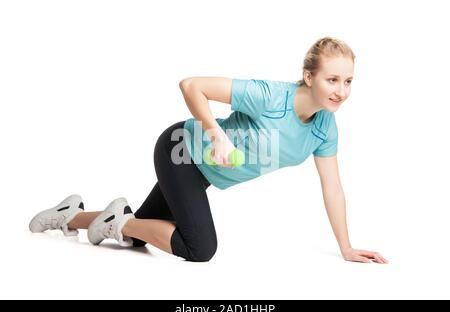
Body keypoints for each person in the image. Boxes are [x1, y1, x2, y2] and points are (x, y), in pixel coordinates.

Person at [29, 37, 388, 264]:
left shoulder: (325, 127)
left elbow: (333, 188)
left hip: (202, 175)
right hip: (181, 151)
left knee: (139, 231)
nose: (341, 90)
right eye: (332, 79)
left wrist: (346, 247)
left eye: (348, 81)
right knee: (199, 248)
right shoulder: (270, 96)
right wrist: (216, 134)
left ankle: (70, 216)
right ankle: (115, 221)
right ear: (310, 77)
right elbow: (191, 86)